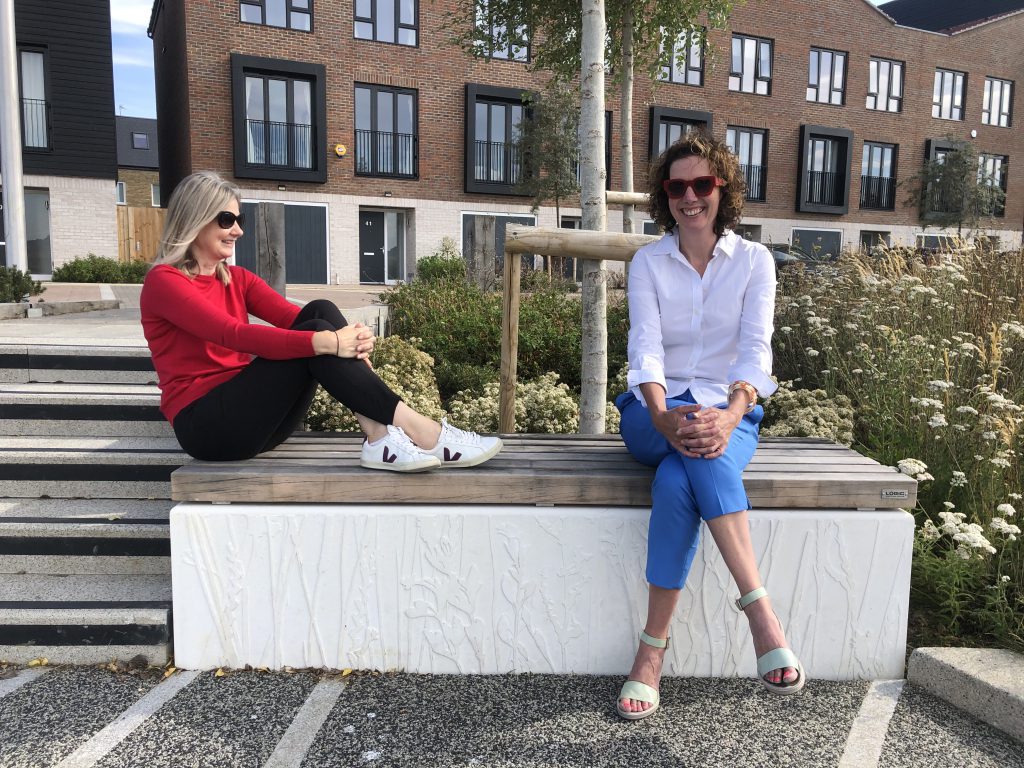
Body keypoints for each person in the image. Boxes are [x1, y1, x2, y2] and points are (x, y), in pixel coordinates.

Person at [614, 132, 803, 720]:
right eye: (677, 186)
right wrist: (663, 414)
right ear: (664, 195)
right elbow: (644, 349)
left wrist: (730, 414)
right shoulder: (648, 261)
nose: (689, 197)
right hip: (653, 413)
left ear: (723, 189)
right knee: (695, 452)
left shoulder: (754, 261)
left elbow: (755, 354)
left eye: (702, 184)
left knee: (680, 479)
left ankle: (650, 653)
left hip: (730, 413)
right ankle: (761, 614)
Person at [140, 171, 502, 471]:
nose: (238, 230)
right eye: (226, 219)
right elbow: (233, 335)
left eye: (240, 219)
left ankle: (378, 437)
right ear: (194, 218)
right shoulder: (164, 283)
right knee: (317, 334)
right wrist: (328, 343)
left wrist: (349, 338)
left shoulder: (237, 279)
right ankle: (422, 431)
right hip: (209, 428)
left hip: (260, 423)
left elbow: (296, 321)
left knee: (321, 310)